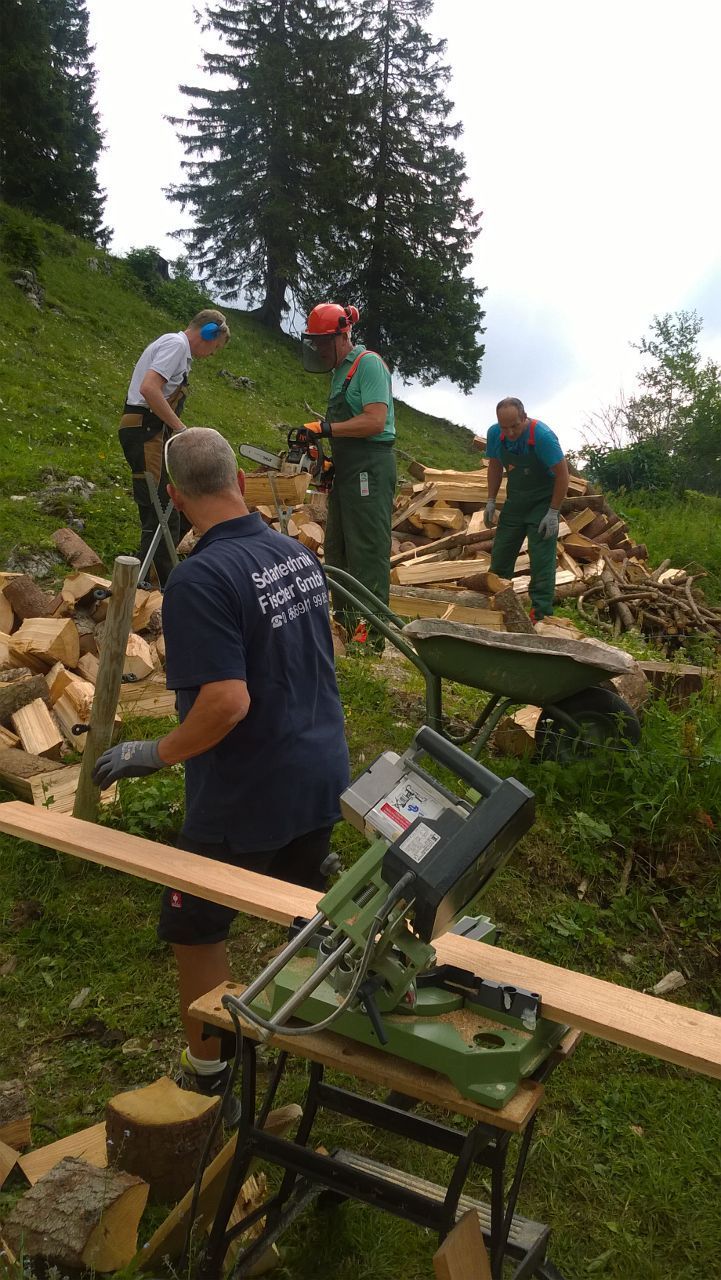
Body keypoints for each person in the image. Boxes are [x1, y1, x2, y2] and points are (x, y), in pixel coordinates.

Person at [93, 428, 350, 1118]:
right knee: (304, 908)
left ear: (174, 497)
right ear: (239, 479)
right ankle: (326, 1042)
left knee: (196, 926)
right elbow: (322, 649)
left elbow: (226, 703)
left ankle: (207, 1077)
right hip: (321, 772)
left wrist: (154, 753)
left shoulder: (201, 578)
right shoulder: (294, 553)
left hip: (248, 792)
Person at [300, 303, 396, 647]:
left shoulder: (367, 364)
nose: (319, 349)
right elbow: (348, 429)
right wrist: (329, 462)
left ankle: (368, 639)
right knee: (337, 548)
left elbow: (374, 421)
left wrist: (326, 428)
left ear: (341, 336)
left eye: (323, 343)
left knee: (367, 551)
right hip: (349, 468)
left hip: (371, 466)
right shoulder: (340, 373)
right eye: (315, 343)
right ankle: (345, 629)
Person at [118, 309, 230, 587]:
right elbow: (149, 388)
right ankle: (154, 585)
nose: (211, 355)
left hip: (154, 432)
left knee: (174, 509)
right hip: (145, 430)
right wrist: (181, 430)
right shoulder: (176, 345)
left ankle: (152, 573)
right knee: (158, 511)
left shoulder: (176, 348)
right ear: (208, 334)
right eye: (214, 348)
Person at [484, 397, 569, 623]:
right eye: (505, 427)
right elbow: (494, 466)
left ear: (524, 417)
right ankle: (495, 607)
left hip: (543, 501)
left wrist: (553, 511)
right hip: (516, 500)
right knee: (501, 554)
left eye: (515, 426)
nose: (510, 432)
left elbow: (563, 475)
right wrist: (491, 500)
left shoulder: (542, 436)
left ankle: (540, 614)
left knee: (542, 558)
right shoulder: (495, 434)